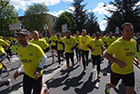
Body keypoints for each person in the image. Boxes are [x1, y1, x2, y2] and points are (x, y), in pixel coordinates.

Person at [104, 22, 139, 94]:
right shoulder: (117, 43)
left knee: (130, 92)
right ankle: (108, 86)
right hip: (117, 71)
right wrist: (118, 62)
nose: (129, 32)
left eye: (131, 30)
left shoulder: (134, 42)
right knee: (113, 85)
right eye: (127, 30)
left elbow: (133, 52)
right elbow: (106, 55)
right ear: (122, 32)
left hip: (129, 72)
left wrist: (135, 58)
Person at [13, 29, 47, 94]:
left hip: (37, 76)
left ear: (28, 37)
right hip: (27, 76)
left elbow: (44, 58)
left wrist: (39, 68)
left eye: (22, 36)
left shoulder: (35, 47)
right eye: (19, 36)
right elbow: (21, 60)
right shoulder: (19, 50)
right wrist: (18, 70)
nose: (20, 38)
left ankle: (44, 88)